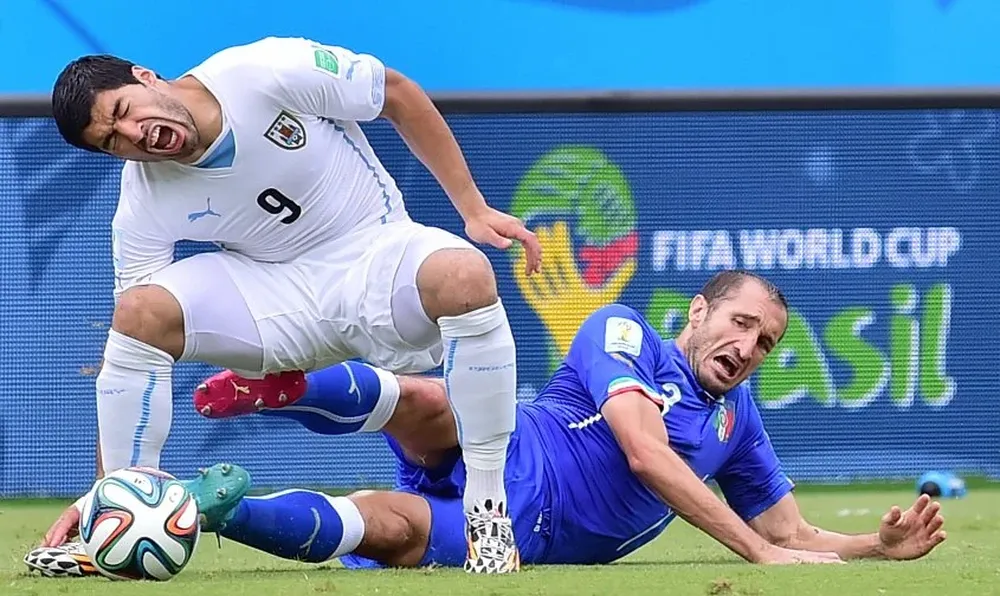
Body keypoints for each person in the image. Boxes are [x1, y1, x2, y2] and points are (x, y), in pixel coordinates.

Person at [32, 270, 946, 575]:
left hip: (528, 534)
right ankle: (287, 384)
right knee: (433, 401)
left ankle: (219, 505)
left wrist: (874, 545)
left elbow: (787, 528)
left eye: (769, 342)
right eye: (742, 323)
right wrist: (758, 556)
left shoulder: (738, 417)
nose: (750, 347)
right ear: (698, 312)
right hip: (511, 450)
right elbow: (642, 450)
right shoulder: (625, 331)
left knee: (383, 524)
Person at [42, 36, 542, 573]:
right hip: (278, 306)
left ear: (145, 77)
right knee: (139, 313)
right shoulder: (143, 198)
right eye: (114, 142)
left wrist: (471, 208)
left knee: (465, 274)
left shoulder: (262, 70)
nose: (134, 136)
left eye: (121, 112)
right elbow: (129, 346)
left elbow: (396, 92)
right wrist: (99, 494)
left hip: (376, 262)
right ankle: (116, 517)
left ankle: (487, 513)